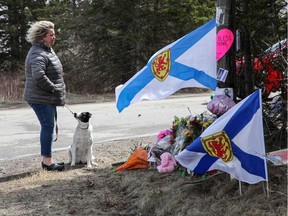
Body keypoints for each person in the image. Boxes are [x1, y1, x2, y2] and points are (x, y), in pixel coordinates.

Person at [24, 21, 66, 171]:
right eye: (51, 35)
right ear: (42, 37)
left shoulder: (47, 50)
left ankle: (48, 159)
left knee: (49, 126)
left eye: (54, 34)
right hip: (40, 97)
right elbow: (39, 76)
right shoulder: (37, 52)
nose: (54, 37)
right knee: (47, 127)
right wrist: (53, 88)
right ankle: (47, 162)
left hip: (47, 96)